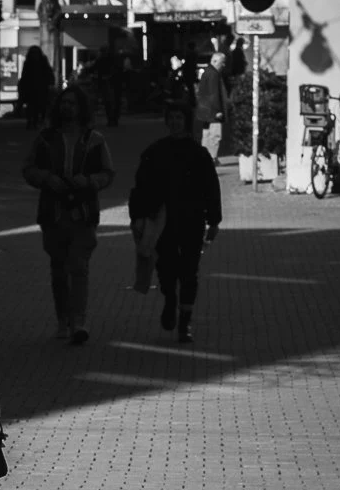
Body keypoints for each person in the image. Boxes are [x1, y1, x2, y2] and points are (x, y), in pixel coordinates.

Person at [23, 83, 114, 346]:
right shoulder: (46, 138)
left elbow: (108, 172)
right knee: (58, 268)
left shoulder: (94, 139)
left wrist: (89, 181)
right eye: (64, 103)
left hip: (83, 212)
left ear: (81, 108)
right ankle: (62, 319)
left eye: (72, 103)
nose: (67, 107)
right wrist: (46, 178)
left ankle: (79, 322)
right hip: (53, 212)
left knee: (79, 266)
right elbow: (28, 168)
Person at [130, 101, 222, 344]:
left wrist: (214, 221)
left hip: (192, 219)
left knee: (189, 271)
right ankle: (170, 299)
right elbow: (140, 187)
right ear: (166, 121)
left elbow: (211, 188)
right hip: (163, 221)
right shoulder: (155, 151)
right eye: (171, 118)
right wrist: (138, 216)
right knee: (167, 268)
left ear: (186, 121)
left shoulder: (198, 153)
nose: (175, 122)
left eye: (179, 118)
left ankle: (185, 322)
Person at [194, 49, 229, 162]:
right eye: (222, 62)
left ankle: (205, 155)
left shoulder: (207, 72)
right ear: (217, 62)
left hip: (205, 110)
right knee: (215, 135)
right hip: (212, 111)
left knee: (207, 134)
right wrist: (217, 110)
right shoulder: (214, 74)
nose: (223, 65)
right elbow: (214, 94)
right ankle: (212, 157)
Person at [18, 45, 55, 130]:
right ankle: (33, 121)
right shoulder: (38, 61)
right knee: (35, 106)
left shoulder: (31, 62)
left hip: (37, 87)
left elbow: (24, 75)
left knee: (36, 106)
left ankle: (33, 121)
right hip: (35, 88)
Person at [95, 40, 124, 127]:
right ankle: (112, 119)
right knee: (110, 102)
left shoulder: (110, 59)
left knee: (111, 102)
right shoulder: (105, 59)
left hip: (112, 83)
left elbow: (117, 70)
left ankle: (113, 119)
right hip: (110, 83)